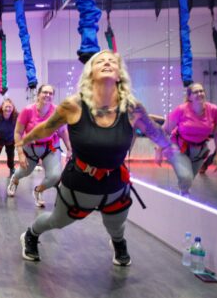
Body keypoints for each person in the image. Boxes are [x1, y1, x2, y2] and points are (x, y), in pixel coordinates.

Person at [17, 51, 175, 266]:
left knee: (116, 225)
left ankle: (118, 243)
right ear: (90, 74)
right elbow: (45, 128)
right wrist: (22, 141)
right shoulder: (73, 106)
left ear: (120, 74)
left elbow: (156, 133)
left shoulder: (132, 108)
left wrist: (175, 157)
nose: (107, 62)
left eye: (112, 61)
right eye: (100, 61)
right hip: (80, 181)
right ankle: (31, 234)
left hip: (115, 183)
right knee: (58, 220)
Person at [8, 84, 72, 207]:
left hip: (51, 147)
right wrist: (20, 154)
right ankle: (14, 180)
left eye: (50, 93)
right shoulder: (27, 111)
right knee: (24, 172)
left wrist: (69, 149)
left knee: (55, 176)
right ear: (38, 95)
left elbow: (63, 131)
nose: (48, 95)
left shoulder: (58, 111)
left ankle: (38, 191)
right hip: (31, 147)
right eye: (45, 92)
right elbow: (17, 132)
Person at [159, 83, 217, 195]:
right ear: (189, 97)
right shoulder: (181, 109)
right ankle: (183, 197)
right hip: (179, 147)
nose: (199, 93)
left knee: (188, 181)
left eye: (201, 91)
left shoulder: (213, 110)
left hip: (199, 151)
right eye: (195, 92)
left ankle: (183, 198)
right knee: (186, 177)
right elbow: (164, 130)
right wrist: (159, 151)